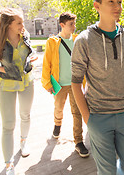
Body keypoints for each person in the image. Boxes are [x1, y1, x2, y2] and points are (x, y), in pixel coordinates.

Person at [71, 0, 124, 175]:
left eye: (119, 1)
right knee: (107, 171)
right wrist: (88, 119)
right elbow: (76, 82)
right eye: (111, 1)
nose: (117, 7)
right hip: (98, 116)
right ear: (97, 6)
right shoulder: (83, 40)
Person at [0, 8, 36, 175]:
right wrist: (0, 68)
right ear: (9, 24)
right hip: (7, 86)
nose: (22, 25)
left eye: (22, 22)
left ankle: (23, 142)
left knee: (25, 115)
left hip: (27, 82)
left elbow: (29, 54)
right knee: (8, 125)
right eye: (19, 22)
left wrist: (32, 59)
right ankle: (9, 164)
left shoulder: (25, 37)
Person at [41, 12, 89, 158]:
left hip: (76, 84)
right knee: (59, 108)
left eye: (74, 24)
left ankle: (79, 142)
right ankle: (57, 124)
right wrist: (48, 83)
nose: (74, 27)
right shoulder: (53, 42)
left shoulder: (77, 40)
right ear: (62, 25)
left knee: (78, 112)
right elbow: (46, 64)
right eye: (71, 24)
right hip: (59, 84)